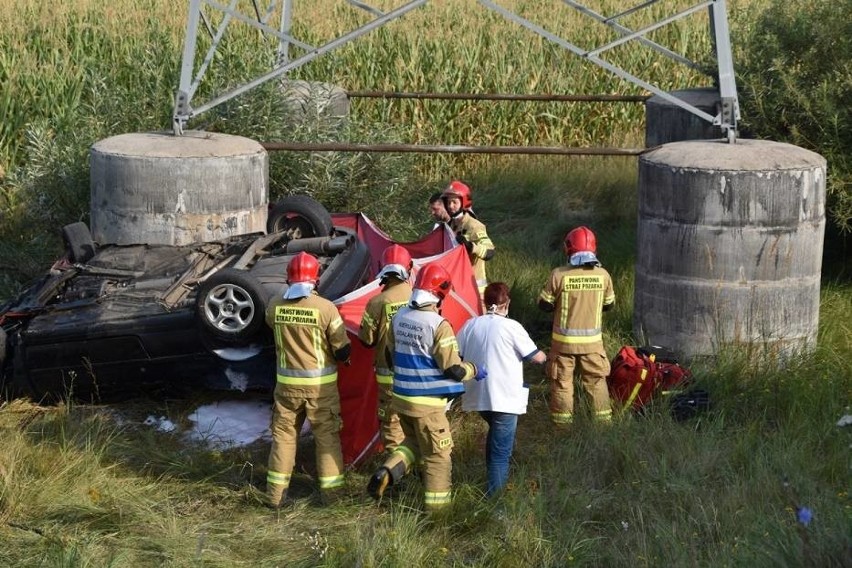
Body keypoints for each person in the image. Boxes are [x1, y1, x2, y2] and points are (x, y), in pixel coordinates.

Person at [366, 263, 486, 510]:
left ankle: (386, 472)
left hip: (401, 398)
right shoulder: (438, 325)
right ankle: (438, 514)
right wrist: (473, 369)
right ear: (440, 293)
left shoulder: (399, 317)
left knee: (412, 444)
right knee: (437, 458)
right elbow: (452, 369)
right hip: (429, 407)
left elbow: (389, 356)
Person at [264, 251, 352, 508]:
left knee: (283, 438)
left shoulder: (275, 305)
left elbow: (272, 325)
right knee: (327, 439)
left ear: (288, 278)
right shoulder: (325, 308)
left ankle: (275, 497)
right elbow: (342, 348)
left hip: (286, 389)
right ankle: (332, 498)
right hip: (320, 390)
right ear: (316, 279)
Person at [457, 282, 546, 497]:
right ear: (507, 303)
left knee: (495, 436)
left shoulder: (470, 325)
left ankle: (491, 483)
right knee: (501, 455)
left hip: (478, 397)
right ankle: (495, 503)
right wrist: (547, 356)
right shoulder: (512, 326)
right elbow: (536, 357)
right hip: (505, 400)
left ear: (485, 302)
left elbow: (455, 355)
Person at [538, 226, 615, 425]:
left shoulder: (559, 275)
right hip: (593, 345)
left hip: (563, 345)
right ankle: (604, 426)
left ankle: (562, 428)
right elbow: (609, 305)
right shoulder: (603, 275)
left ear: (569, 248)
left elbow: (544, 305)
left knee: (562, 384)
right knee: (597, 383)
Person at [358, 244, 414, 452]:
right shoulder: (421, 297)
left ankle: (395, 475)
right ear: (408, 267)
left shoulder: (377, 302)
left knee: (392, 426)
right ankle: (418, 470)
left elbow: (367, 340)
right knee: (417, 423)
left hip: (389, 377)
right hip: (419, 374)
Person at [442, 180, 495, 296]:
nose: (451, 206)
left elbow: (490, 251)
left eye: (454, 202)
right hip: (457, 288)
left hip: (475, 292)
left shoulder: (474, 226)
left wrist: (471, 247)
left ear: (463, 202)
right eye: (448, 202)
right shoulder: (450, 226)